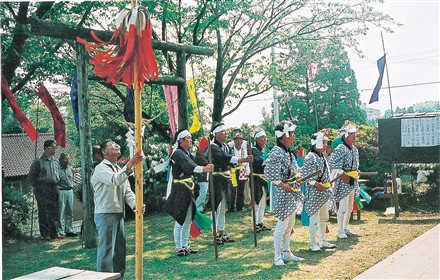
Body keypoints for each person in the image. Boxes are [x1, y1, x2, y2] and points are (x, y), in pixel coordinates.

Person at [91, 139, 144, 277]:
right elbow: (115, 180)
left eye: (116, 144)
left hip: (118, 213)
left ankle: (119, 277)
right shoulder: (100, 168)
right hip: (105, 213)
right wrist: (131, 162)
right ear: (104, 152)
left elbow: (127, 191)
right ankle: (103, 278)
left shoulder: (119, 169)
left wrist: (136, 205)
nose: (116, 146)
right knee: (107, 250)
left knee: (119, 250)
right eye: (111, 145)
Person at [164, 129, 214, 256]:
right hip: (180, 189)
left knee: (187, 219)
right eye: (188, 138)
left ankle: (185, 245)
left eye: (191, 138)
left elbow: (191, 164)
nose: (190, 140)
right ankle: (178, 247)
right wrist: (203, 168)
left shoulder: (186, 153)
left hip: (188, 189)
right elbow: (188, 166)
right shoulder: (178, 154)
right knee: (179, 218)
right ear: (181, 140)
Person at [264, 120, 305, 266]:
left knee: (290, 224)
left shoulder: (288, 153)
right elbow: (269, 173)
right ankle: (277, 256)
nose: (293, 136)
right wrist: (283, 185)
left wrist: (299, 177)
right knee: (282, 225)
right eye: (291, 133)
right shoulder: (276, 151)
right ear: (284, 136)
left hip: (290, 191)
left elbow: (294, 171)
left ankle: (287, 252)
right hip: (282, 192)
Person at [210, 123, 253, 244]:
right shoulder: (213, 147)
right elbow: (224, 157)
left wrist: (240, 162)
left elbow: (229, 160)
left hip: (226, 178)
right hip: (216, 179)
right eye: (223, 132)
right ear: (216, 134)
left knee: (223, 207)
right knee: (217, 207)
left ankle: (221, 232)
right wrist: (241, 160)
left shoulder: (225, 146)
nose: (225, 134)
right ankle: (214, 234)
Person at [302, 132, 336, 251]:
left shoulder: (322, 156)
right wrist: (316, 184)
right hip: (315, 192)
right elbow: (306, 176)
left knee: (324, 218)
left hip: (324, 192)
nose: (326, 145)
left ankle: (323, 241)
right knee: (314, 219)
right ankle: (313, 243)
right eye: (324, 143)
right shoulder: (310, 157)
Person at [328, 123, 360, 239]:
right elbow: (332, 164)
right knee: (342, 207)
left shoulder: (355, 150)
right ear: (346, 136)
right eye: (352, 135)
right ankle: (340, 230)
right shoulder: (340, 149)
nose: (354, 137)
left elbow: (355, 165)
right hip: (343, 181)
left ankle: (346, 228)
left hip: (353, 180)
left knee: (350, 207)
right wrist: (343, 174)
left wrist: (357, 171)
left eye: (354, 134)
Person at [28, 139, 64, 240]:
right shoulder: (38, 161)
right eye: (53, 148)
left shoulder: (56, 161)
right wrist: (37, 188)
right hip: (42, 188)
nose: (55, 150)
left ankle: (55, 232)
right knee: (44, 211)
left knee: (55, 210)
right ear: (46, 148)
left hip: (55, 187)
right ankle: (45, 233)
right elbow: (31, 177)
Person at [251, 128, 270, 232]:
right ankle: (255, 223)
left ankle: (260, 222)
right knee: (257, 201)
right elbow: (259, 161)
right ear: (257, 139)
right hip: (256, 178)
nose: (264, 140)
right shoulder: (253, 150)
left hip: (263, 178)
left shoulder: (263, 151)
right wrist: (269, 160)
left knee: (263, 201)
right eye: (263, 138)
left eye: (265, 138)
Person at [57, 153, 77, 237]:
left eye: (68, 159)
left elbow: (72, 178)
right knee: (60, 211)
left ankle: (69, 229)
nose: (67, 161)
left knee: (70, 212)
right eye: (66, 159)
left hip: (70, 190)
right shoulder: (57, 169)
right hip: (61, 191)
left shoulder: (70, 169)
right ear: (61, 160)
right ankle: (60, 231)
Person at [229, 132, 249, 212]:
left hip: (241, 170)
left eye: (240, 139)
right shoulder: (230, 150)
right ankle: (231, 207)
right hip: (233, 170)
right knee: (232, 189)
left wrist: (247, 173)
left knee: (241, 189)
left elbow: (247, 162)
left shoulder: (244, 151)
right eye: (237, 139)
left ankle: (239, 206)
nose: (239, 141)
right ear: (234, 141)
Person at [194, 147, 210, 212]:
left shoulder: (202, 156)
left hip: (205, 177)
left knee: (206, 193)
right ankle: (197, 207)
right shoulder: (198, 157)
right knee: (203, 193)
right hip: (202, 177)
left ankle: (201, 207)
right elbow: (206, 163)